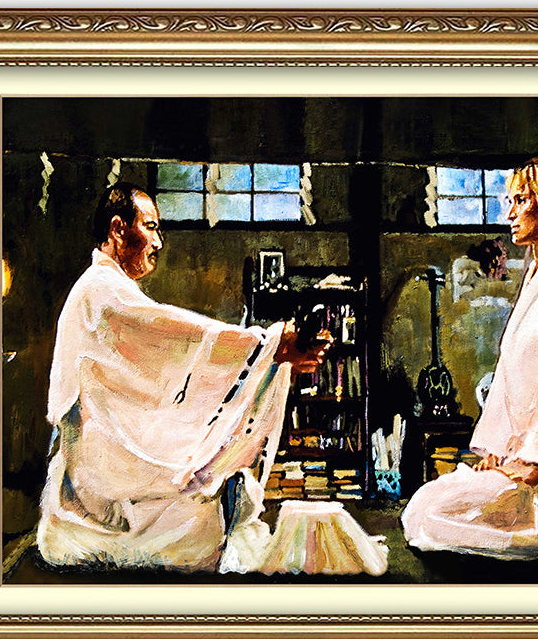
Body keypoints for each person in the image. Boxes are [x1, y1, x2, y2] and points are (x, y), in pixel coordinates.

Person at [36, 182, 329, 572]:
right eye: (151, 227)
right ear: (119, 229)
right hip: (99, 475)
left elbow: (166, 355)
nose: (158, 242)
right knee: (196, 512)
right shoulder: (101, 291)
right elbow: (178, 336)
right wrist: (269, 344)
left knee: (204, 487)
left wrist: (271, 352)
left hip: (102, 461)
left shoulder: (105, 288)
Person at [402, 158, 538, 559]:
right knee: (422, 507)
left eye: (521, 200)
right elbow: (510, 376)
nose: (509, 213)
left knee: (431, 518)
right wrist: (496, 447)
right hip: (517, 455)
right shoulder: (537, 276)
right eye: (510, 200)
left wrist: (536, 456)